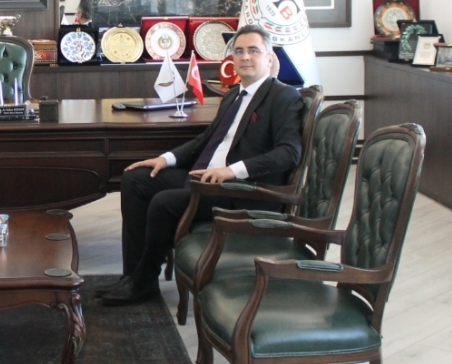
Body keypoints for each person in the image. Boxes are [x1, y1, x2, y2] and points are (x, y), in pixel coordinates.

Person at [102, 24, 304, 306]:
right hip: (207, 179)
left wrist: (231, 171)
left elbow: (289, 153)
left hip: (242, 190)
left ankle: (144, 282)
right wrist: (165, 159)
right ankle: (132, 275)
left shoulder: (284, 96)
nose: (245, 57)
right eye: (239, 51)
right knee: (136, 179)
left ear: (269, 58)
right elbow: (206, 140)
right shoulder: (233, 95)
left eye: (254, 51)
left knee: (164, 202)